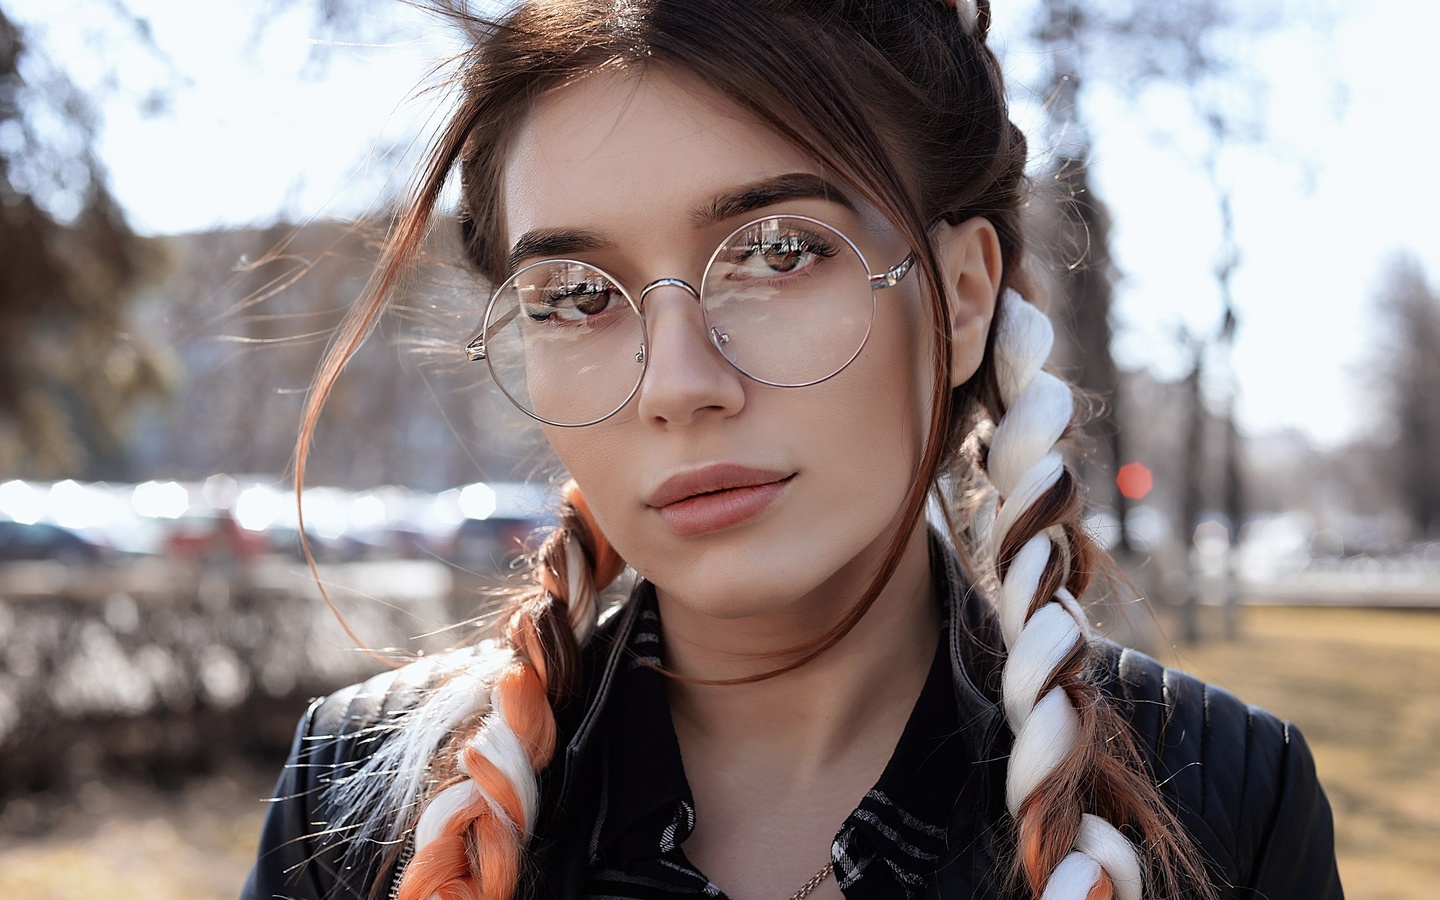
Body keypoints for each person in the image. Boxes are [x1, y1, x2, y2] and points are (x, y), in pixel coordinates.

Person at [243, 1, 1342, 898]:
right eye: (576, 296)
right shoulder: (357, 810)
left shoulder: (1227, 800)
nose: (679, 384)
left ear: (962, 298)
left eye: (776, 253)